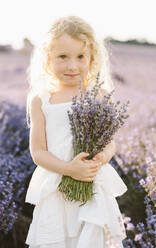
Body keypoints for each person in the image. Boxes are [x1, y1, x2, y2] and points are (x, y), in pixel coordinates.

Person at [25, 15, 128, 248]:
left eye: (81, 57)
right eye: (62, 57)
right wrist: (68, 169)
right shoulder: (41, 100)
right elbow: (38, 151)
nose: (72, 65)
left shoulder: (100, 96)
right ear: (47, 59)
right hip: (57, 187)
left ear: (92, 59)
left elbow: (110, 141)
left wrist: (103, 156)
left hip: (92, 185)